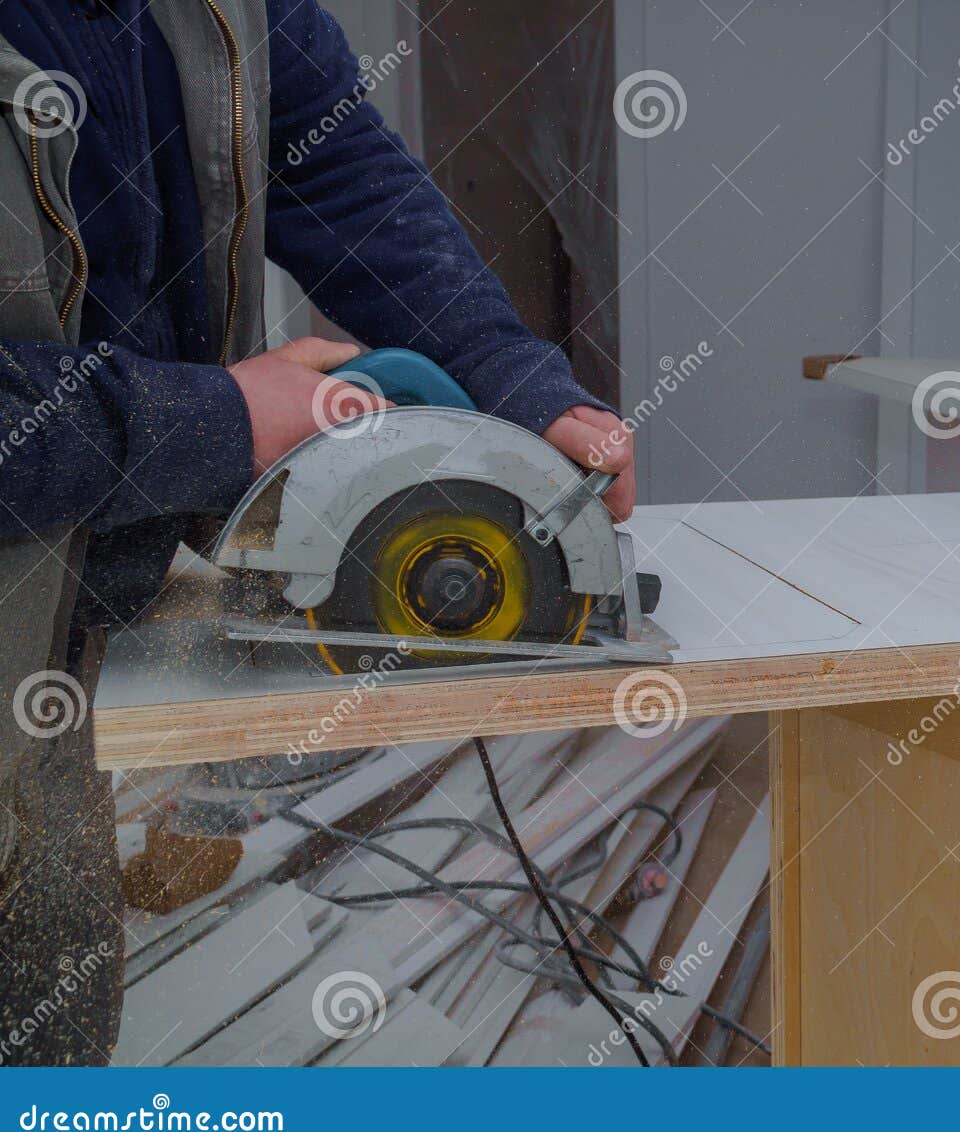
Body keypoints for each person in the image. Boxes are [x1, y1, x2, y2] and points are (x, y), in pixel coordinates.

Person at [0, 0, 634, 1065]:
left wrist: (516, 384)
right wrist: (215, 422)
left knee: (49, 1046)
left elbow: (342, 178)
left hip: (66, 650)